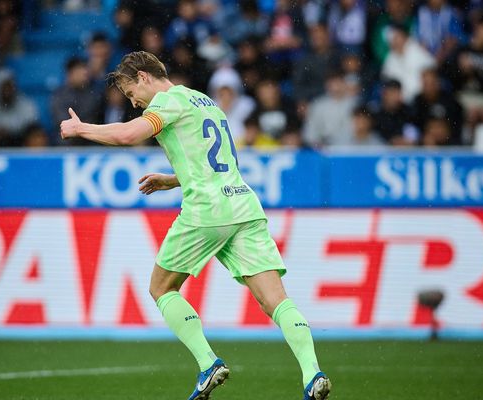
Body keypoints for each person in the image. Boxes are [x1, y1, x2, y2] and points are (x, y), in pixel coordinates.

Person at [59, 51, 331, 400]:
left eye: (131, 93)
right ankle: (312, 374)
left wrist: (81, 129)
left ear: (143, 77)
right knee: (275, 300)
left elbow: (128, 135)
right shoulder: (205, 101)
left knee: (161, 288)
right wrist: (174, 179)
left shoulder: (167, 101)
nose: (134, 102)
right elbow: (214, 160)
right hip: (243, 205)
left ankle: (208, 363)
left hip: (207, 209)